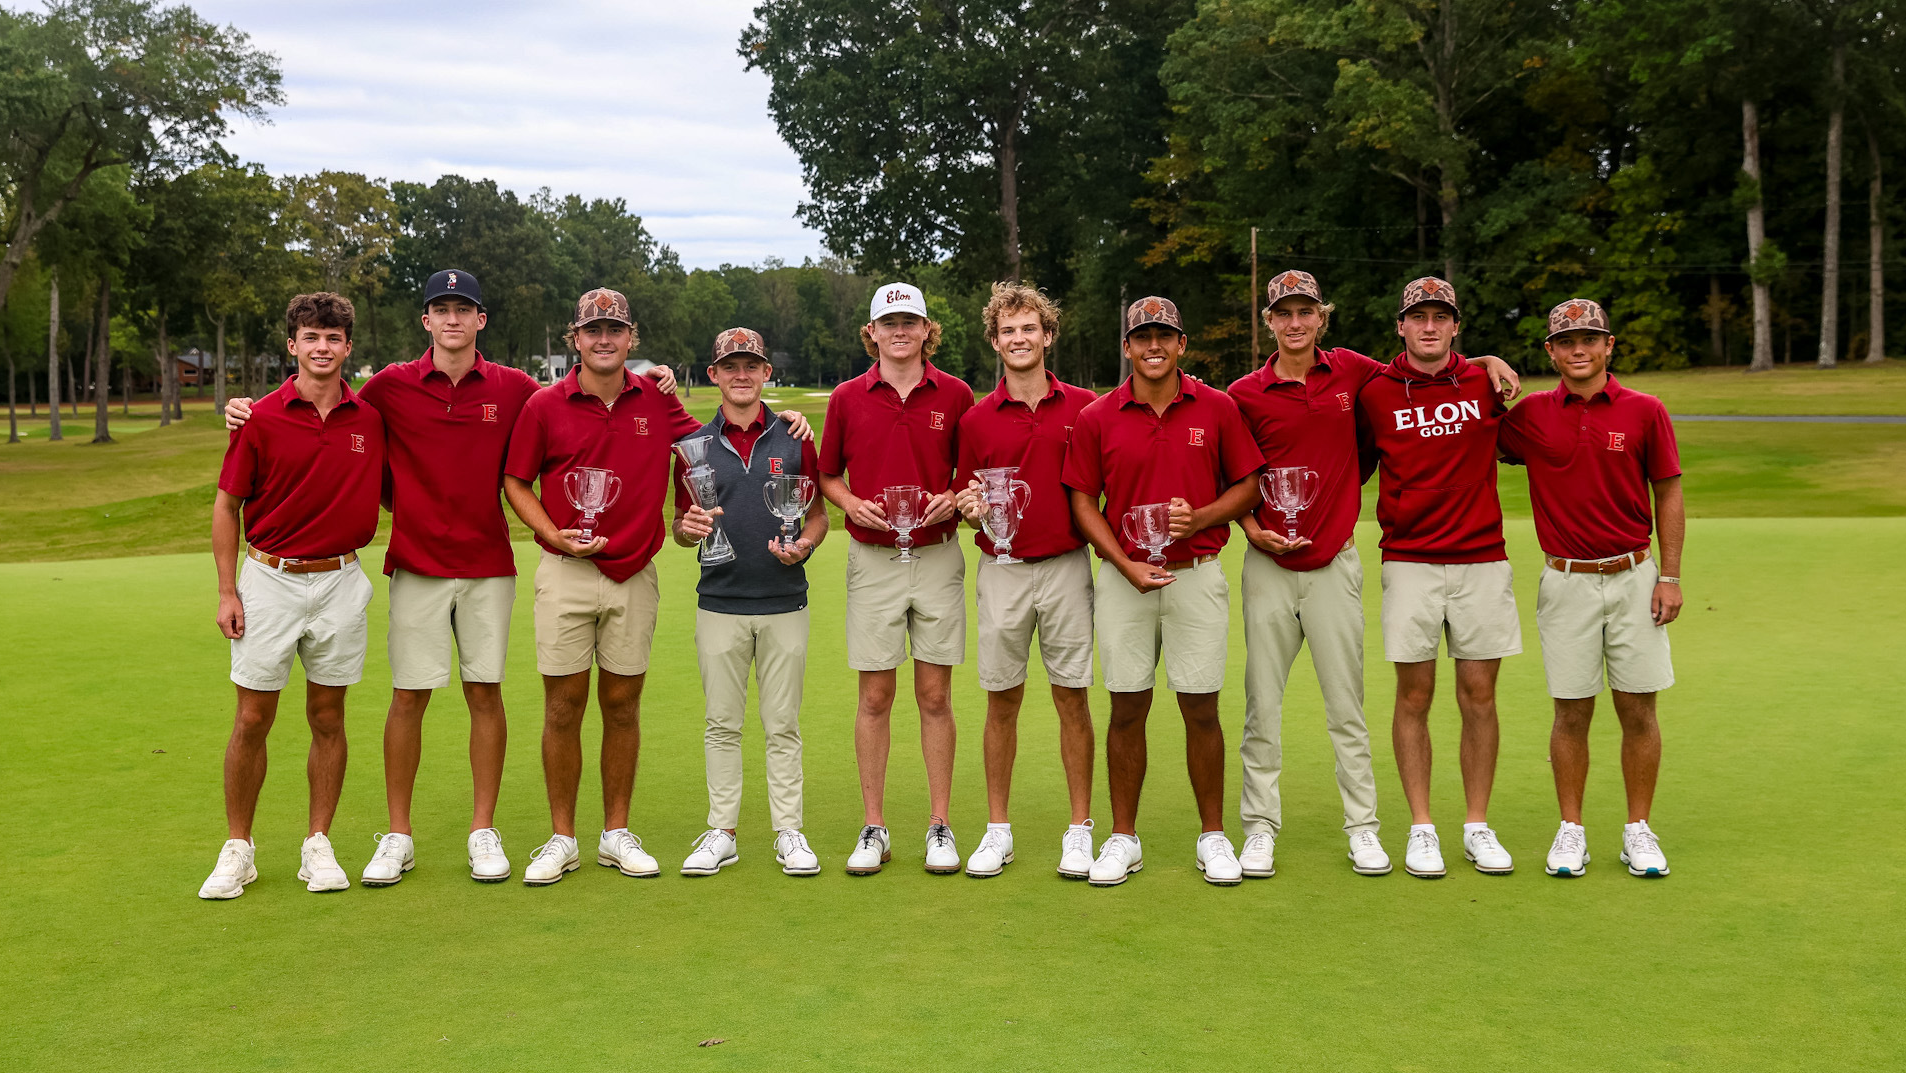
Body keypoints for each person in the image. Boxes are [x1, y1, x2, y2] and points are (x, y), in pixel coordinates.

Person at [220, 270, 700, 885]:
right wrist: (248, 407)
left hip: (488, 564)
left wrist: (660, 380)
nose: (453, 319)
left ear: (481, 320)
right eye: (441, 309)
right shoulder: (389, 385)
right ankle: (398, 835)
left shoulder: (517, 388)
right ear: (426, 320)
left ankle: (483, 831)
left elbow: (581, 402)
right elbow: (326, 397)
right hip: (416, 563)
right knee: (409, 696)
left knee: (484, 693)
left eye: (464, 309)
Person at [1228, 271, 1522, 879]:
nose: (1295, 323)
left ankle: (1363, 827)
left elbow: (1431, 369)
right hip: (1270, 565)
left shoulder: (1355, 373)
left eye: (1306, 311)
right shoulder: (1245, 393)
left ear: (1322, 317)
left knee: (1348, 706)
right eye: (1283, 313)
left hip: (1337, 561)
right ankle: (1259, 829)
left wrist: (1487, 360)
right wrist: (1251, 529)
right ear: (1269, 321)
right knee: (1262, 706)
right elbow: (1232, 474)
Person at [502, 288, 704, 886]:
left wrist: (785, 423)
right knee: (562, 707)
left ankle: (616, 833)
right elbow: (516, 482)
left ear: (631, 338)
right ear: (576, 339)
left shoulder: (657, 401)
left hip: (633, 572)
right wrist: (553, 535)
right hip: (565, 571)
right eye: (593, 330)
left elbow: (713, 445)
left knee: (622, 705)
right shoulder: (544, 405)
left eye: (615, 329)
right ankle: (563, 837)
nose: (604, 339)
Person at [1063, 296, 1264, 887]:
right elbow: (1083, 501)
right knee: (1127, 706)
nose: (1154, 346)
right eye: (1142, 337)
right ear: (1127, 347)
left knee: (1201, 707)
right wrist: (1122, 561)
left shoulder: (1217, 407)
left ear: (1182, 344)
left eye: (1164, 336)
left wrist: (1200, 518)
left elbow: (1249, 485)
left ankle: (1213, 836)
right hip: (1124, 579)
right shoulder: (1098, 415)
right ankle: (1124, 837)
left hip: (1196, 574)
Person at [199, 293, 385, 899]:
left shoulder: (369, 419)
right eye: (311, 337)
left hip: (340, 580)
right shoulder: (257, 418)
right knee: (253, 717)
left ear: (348, 346)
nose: (322, 347)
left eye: (333, 338)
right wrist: (226, 590)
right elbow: (227, 506)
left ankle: (317, 844)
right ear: (292, 345)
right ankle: (238, 848)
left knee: (328, 717)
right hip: (269, 579)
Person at [1498, 299, 1683, 878]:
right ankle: (1571, 829)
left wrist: (1671, 576)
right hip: (1565, 580)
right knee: (1571, 711)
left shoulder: (1646, 410)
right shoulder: (1530, 415)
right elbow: (1467, 428)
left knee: (1638, 707)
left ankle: (1638, 830)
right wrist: (1483, 363)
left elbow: (1668, 492)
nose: (1578, 349)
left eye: (1589, 339)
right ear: (1550, 352)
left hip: (1635, 576)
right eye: (1566, 341)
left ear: (1609, 346)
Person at [1355, 277, 1520, 878]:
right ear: (1401, 326)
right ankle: (1422, 827)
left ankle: (1476, 825)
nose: (1429, 327)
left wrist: (1487, 360)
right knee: (1414, 696)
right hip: (1409, 560)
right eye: (1418, 317)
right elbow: (1352, 467)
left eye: (1440, 317)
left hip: (1482, 558)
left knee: (1479, 695)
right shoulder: (1375, 392)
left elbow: (1518, 443)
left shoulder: (1484, 382)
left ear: (1456, 326)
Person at [818, 283, 975, 875]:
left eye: (911, 321)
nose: (900, 331)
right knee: (875, 696)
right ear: (873, 332)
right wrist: (849, 504)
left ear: (927, 329)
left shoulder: (956, 394)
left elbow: (970, 473)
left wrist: (953, 497)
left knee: (935, 696)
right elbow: (828, 474)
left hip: (936, 555)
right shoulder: (847, 397)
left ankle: (939, 824)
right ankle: (874, 826)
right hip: (873, 559)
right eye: (890, 322)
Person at [951, 283, 1100, 879]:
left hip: (1066, 566)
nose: (1019, 339)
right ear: (995, 341)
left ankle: (1080, 829)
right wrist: (969, 507)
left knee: (1072, 697)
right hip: (1002, 571)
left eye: (1029, 328)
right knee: (1002, 699)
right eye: (1008, 331)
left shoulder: (1085, 407)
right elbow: (967, 493)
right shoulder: (975, 419)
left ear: (1048, 335)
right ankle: (998, 830)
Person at [670, 328, 828, 878]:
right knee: (721, 724)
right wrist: (688, 531)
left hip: (785, 600)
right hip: (719, 601)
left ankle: (789, 832)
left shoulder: (795, 436)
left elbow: (818, 515)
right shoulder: (692, 447)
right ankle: (723, 832)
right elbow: (680, 525)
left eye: (751, 365)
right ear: (713, 374)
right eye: (730, 366)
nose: (742, 375)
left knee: (782, 724)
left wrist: (805, 545)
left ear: (766, 373)